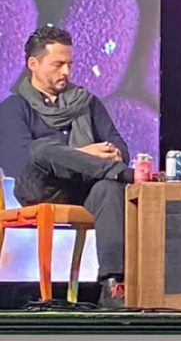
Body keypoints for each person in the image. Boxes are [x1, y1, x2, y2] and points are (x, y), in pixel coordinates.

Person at [0, 26, 134, 309]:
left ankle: (113, 285)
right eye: (57, 64)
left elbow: (120, 147)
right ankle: (120, 176)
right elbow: (19, 160)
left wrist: (111, 155)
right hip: (40, 186)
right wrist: (82, 154)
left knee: (110, 189)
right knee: (42, 148)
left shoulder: (87, 103)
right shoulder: (15, 107)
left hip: (84, 186)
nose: (66, 72)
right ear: (33, 65)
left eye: (69, 64)